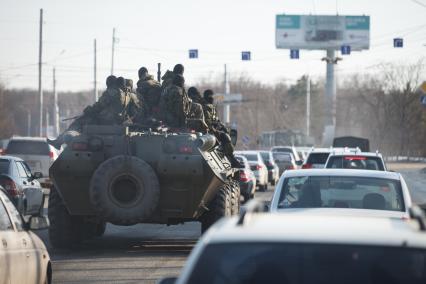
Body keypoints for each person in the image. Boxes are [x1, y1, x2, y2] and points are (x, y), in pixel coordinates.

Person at [48, 75, 132, 149]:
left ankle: (59, 142)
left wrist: (88, 111)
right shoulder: (126, 94)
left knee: (79, 122)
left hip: (106, 120)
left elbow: (99, 105)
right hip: (117, 121)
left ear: (109, 83)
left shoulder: (112, 92)